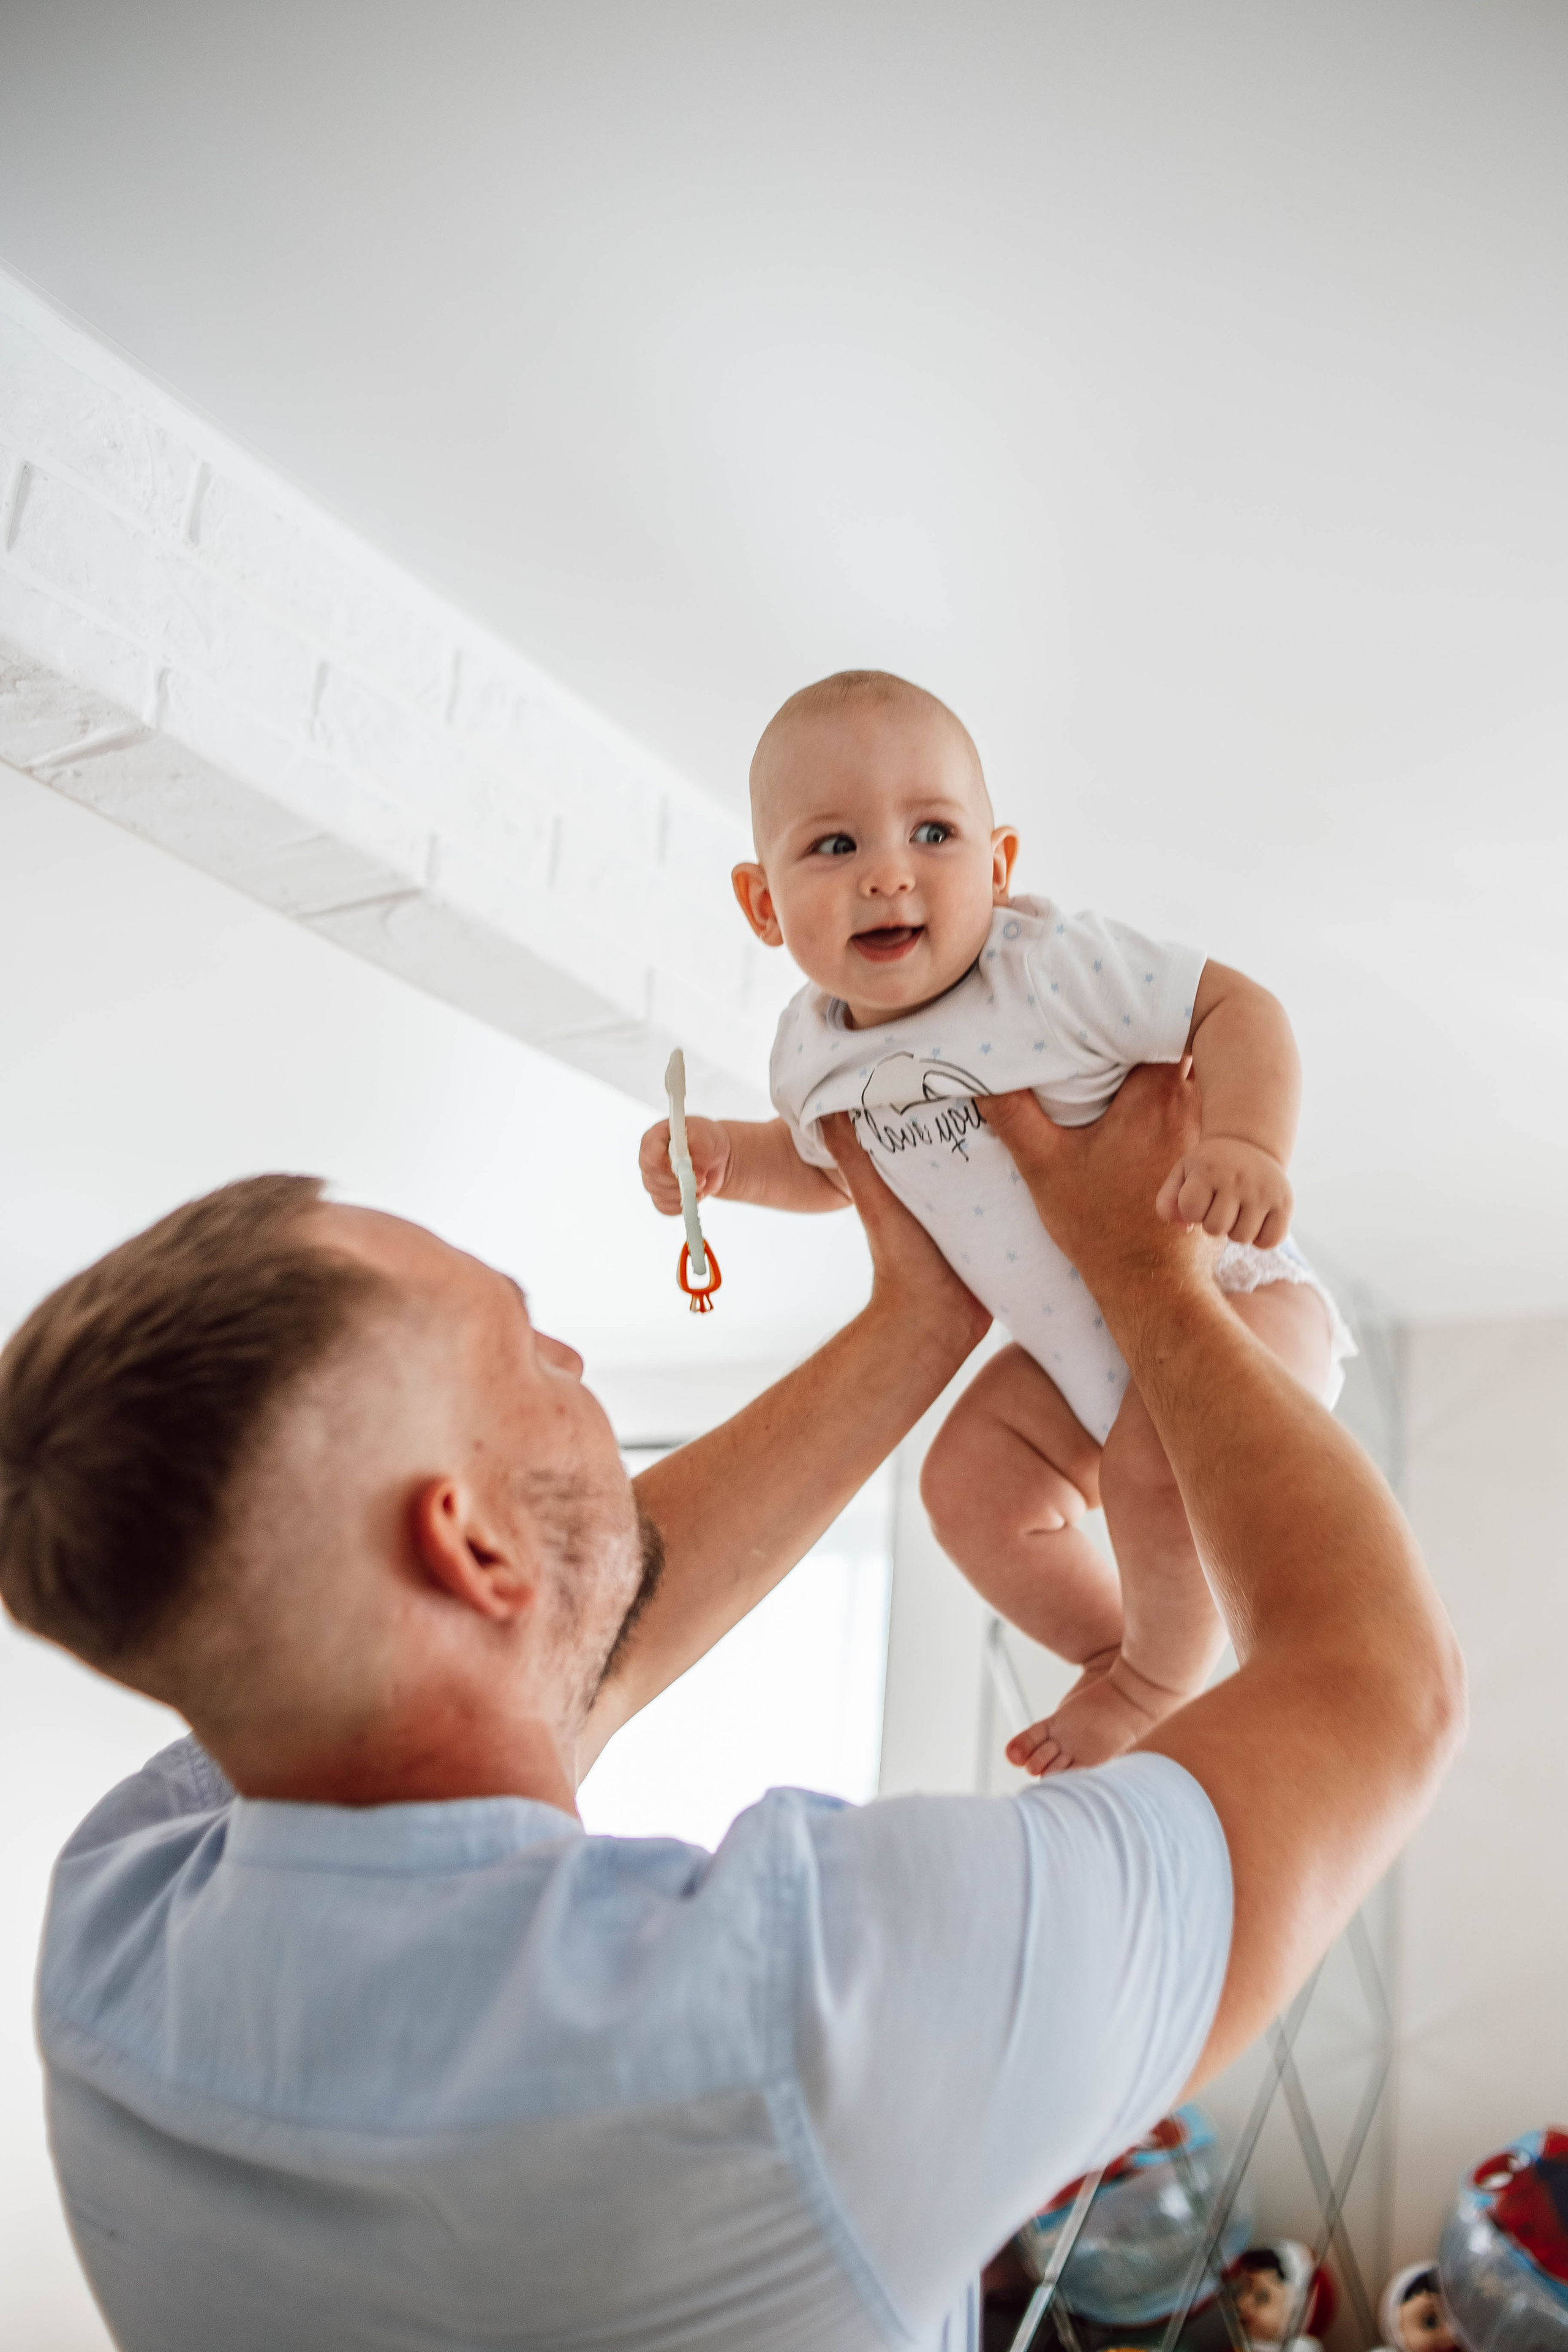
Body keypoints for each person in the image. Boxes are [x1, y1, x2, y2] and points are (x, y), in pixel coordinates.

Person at [1, 1069, 1462, 2351]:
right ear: (471, 1545)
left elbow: (570, 1647)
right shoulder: (804, 2013)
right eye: (523, 1348)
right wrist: (1145, 1277)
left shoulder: (116, 1926)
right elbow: (1372, 1690)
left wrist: (922, 1315)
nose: (571, 1361)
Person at [638, 669, 1354, 1772]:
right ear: (761, 902)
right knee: (966, 1486)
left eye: (933, 832)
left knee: (1148, 1468)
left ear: (999, 865)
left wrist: (1246, 1144)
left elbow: (1235, 1005)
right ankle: (1114, 1648)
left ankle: (1161, 1682)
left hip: (1235, 1297)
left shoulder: (1050, 972)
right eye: (833, 847)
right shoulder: (812, 1056)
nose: (887, 872)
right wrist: (728, 1163)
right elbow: (835, 1173)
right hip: (1071, 1353)